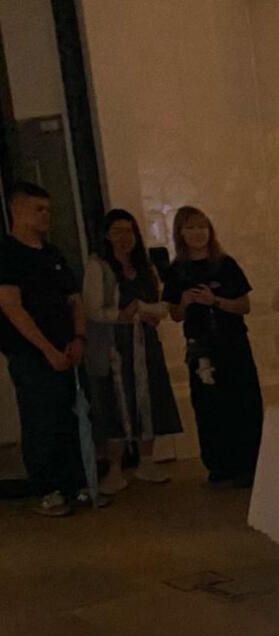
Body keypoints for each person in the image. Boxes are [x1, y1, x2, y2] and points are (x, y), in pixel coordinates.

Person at [0, 182, 90, 516]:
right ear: (17, 210)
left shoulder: (52, 253)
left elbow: (74, 298)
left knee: (68, 417)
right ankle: (47, 489)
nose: (46, 215)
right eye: (38, 209)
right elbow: (12, 307)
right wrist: (47, 349)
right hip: (30, 354)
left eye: (48, 209)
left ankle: (74, 484)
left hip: (66, 348)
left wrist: (78, 337)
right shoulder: (7, 253)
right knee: (41, 420)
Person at [84, 208, 183, 493]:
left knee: (149, 397)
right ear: (107, 235)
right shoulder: (99, 267)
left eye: (128, 231)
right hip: (114, 345)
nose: (124, 237)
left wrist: (144, 311)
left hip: (145, 342)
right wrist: (122, 315)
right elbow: (92, 309)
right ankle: (115, 468)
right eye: (117, 231)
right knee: (116, 401)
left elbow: (161, 304)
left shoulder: (144, 266)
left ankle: (147, 460)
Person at [163, 206, 262, 486]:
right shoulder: (177, 270)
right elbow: (175, 315)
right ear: (181, 233)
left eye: (202, 227)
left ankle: (250, 463)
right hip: (201, 348)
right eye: (191, 228)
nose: (198, 233)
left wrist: (215, 301)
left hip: (232, 343)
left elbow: (244, 305)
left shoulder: (225, 264)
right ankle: (219, 465)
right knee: (209, 407)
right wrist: (185, 302)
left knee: (243, 402)